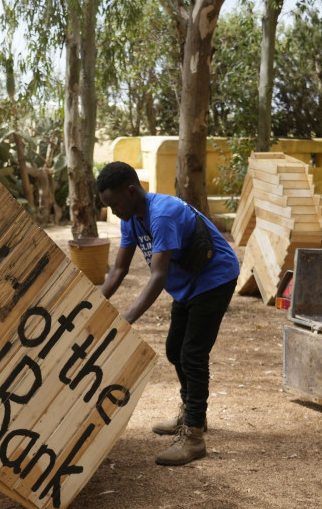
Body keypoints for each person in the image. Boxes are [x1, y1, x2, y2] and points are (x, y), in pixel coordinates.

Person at [97, 161, 240, 466]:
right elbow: (119, 270)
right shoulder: (130, 218)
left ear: (131, 191)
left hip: (214, 279)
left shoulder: (161, 214)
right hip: (188, 284)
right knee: (175, 349)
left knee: (192, 354)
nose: (112, 211)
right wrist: (91, 306)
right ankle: (192, 414)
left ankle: (194, 436)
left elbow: (158, 276)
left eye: (114, 204)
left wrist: (127, 319)